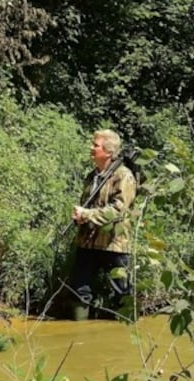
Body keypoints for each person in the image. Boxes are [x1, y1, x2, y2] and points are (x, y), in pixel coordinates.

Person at [70, 129, 136, 319]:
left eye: (95, 145)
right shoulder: (92, 176)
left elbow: (118, 210)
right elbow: (87, 204)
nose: (91, 148)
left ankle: (127, 333)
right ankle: (78, 333)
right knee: (79, 289)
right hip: (88, 242)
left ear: (108, 151)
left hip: (114, 244)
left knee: (121, 291)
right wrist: (80, 216)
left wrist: (88, 215)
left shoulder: (124, 176)